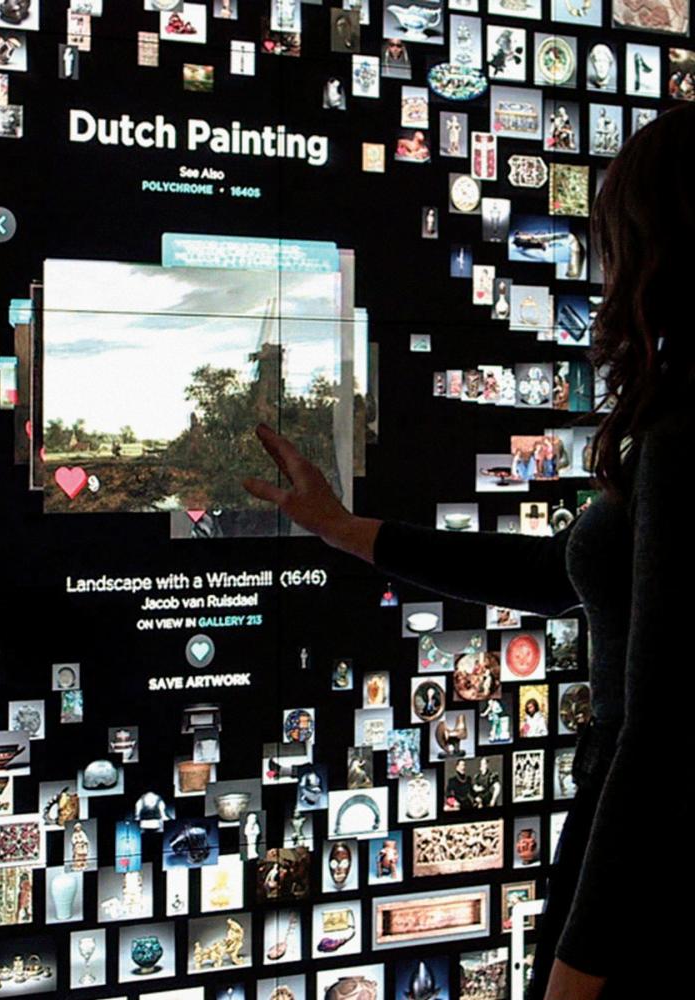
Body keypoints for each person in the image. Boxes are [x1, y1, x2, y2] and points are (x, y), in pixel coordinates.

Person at [243, 103, 695, 998]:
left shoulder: (690, 435)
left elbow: (663, 730)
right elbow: (561, 571)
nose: (604, 267)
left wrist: (578, 968)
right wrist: (347, 529)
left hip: (655, 865)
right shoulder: (687, 420)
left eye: (614, 237)